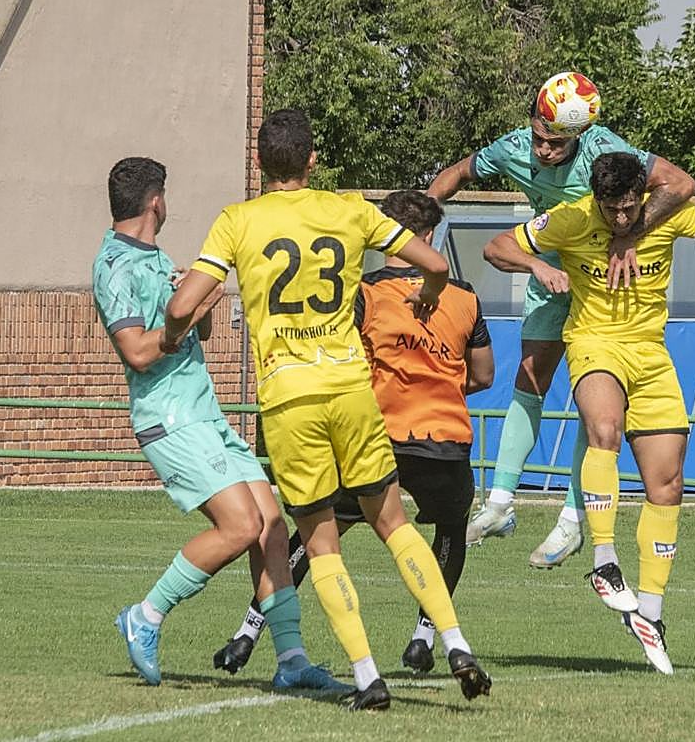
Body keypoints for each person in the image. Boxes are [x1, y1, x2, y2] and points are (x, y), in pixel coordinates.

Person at [165, 111, 491, 711]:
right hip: (350, 389)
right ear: (313, 160)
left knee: (320, 543)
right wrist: (430, 295)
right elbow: (436, 265)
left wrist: (168, 334)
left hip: (289, 398)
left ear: (259, 163)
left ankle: (367, 677)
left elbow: (185, 304)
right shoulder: (350, 210)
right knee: (394, 522)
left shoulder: (238, 220)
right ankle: (455, 642)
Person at [482, 152, 695, 673]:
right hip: (594, 343)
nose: (622, 218)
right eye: (612, 210)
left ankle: (650, 613)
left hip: (651, 354)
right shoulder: (571, 218)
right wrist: (540, 265)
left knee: (667, 484)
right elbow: (496, 247)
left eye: (630, 207)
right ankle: (604, 560)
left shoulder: (669, 213)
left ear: (641, 195)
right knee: (604, 429)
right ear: (597, 199)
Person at [211, 189, 495, 678]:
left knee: (316, 535)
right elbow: (484, 374)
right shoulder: (464, 296)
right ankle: (427, 637)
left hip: (377, 430)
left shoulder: (365, 293)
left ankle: (248, 631)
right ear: (429, 236)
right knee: (448, 531)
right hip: (444, 436)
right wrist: (438, 379)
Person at [93, 157, 346, 694]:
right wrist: (183, 317)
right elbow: (137, 352)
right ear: (156, 201)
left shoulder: (159, 259)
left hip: (206, 414)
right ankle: (146, 614)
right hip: (169, 419)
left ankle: (292, 660)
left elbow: (199, 331)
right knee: (241, 526)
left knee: (271, 524)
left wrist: (201, 298)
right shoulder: (115, 266)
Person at [428, 71, 695, 569]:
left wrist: (629, 234)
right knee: (528, 378)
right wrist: (419, 224)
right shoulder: (514, 148)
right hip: (550, 274)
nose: (543, 150)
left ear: (580, 135)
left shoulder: (604, 147)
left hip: (601, 284)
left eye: (556, 143)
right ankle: (500, 504)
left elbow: (681, 184)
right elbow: (458, 173)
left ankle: (573, 521)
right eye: (539, 136)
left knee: (597, 407)